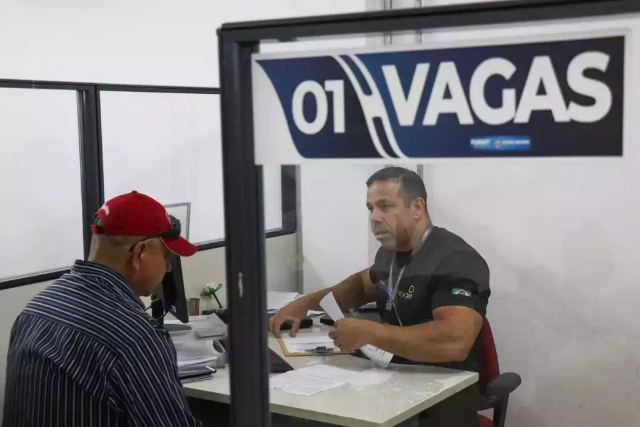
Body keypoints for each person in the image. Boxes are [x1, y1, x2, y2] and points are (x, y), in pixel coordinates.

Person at [269, 166, 490, 426]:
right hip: (390, 381)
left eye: (385, 206)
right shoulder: (389, 252)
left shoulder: (455, 260)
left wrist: (371, 332)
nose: (374, 217)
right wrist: (305, 304)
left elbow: (455, 341)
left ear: (417, 208)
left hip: (439, 396)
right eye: (370, 208)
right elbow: (362, 285)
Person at [2, 191, 202, 427]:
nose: (168, 268)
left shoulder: (36, 309)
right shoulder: (136, 337)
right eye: (167, 256)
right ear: (140, 254)